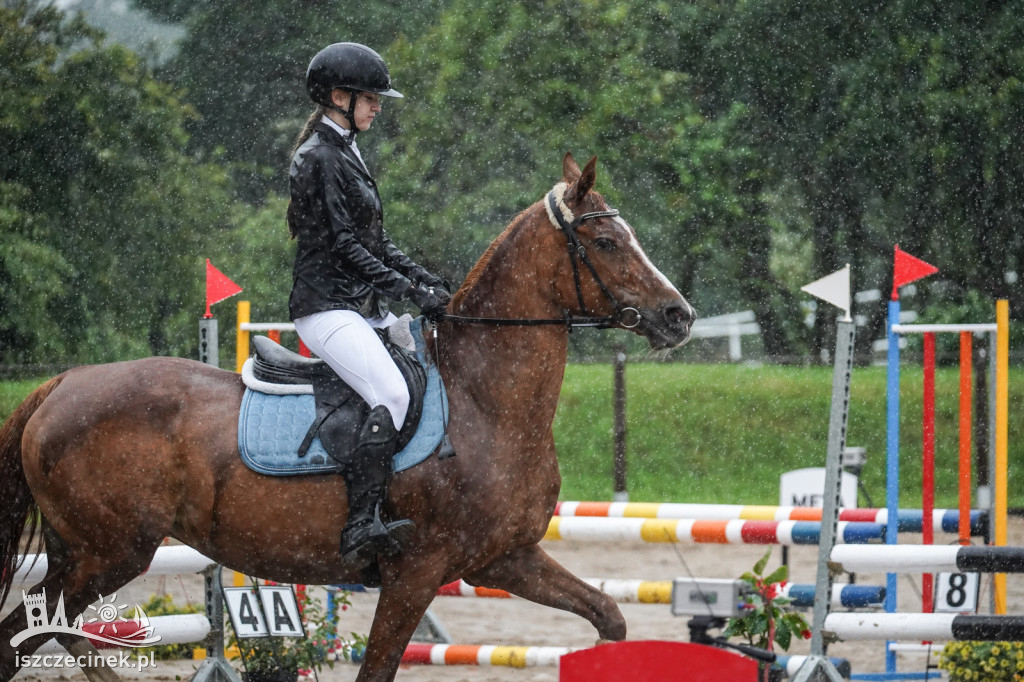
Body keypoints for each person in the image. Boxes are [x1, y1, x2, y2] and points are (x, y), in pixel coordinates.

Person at [287, 42, 450, 568]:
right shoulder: (319, 156)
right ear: (340, 96)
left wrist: (426, 281)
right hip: (326, 307)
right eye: (372, 99)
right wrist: (406, 291)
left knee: (426, 372)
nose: (379, 106)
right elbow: (344, 246)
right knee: (393, 393)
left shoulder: (346, 150)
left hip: (358, 303)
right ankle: (361, 525)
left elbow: (376, 242)